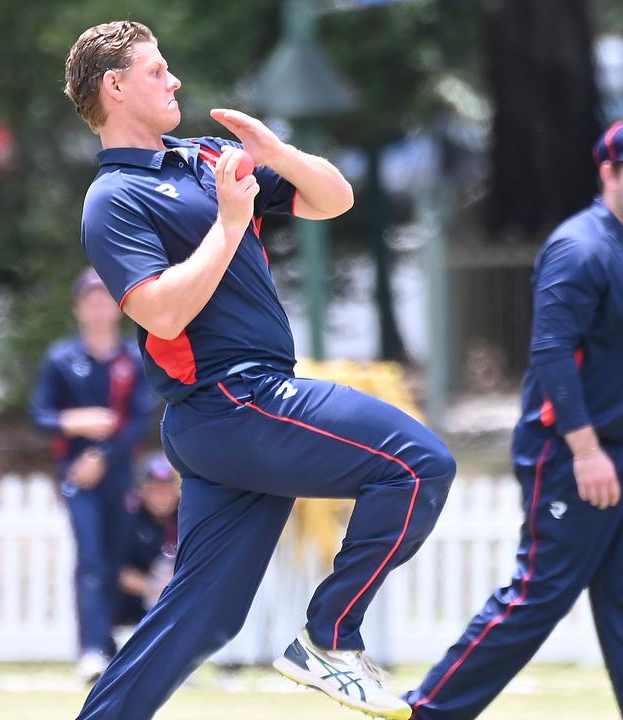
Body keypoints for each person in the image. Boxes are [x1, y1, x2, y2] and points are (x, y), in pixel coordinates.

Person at [62, 20, 456, 720]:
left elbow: (335, 199)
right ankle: (330, 638)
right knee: (418, 464)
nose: (173, 79)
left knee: (204, 618)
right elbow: (160, 314)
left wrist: (278, 153)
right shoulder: (113, 198)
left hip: (234, 418)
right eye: (156, 71)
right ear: (115, 87)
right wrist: (230, 225)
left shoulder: (205, 157)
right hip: (232, 401)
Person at [404, 120, 623, 720]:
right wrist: (586, 451)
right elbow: (552, 357)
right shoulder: (580, 249)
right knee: (537, 597)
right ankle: (425, 712)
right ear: (609, 175)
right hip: (573, 457)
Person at [28, 268, 158, 684]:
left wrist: (102, 455)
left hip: (120, 476)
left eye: (106, 300)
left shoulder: (133, 359)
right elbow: (41, 415)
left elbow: (139, 420)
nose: (99, 308)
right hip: (76, 477)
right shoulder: (61, 359)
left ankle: (113, 645)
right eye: (91, 301)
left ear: (118, 308)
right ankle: (91, 650)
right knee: (90, 559)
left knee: (117, 558)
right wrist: (75, 422)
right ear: (78, 308)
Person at [114, 455, 179, 627]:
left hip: (177, 596)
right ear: (143, 491)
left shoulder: (186, 519)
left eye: (167, 490)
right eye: (155, 490)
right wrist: (152, 588)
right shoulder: (128, 521)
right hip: (134, 605)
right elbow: (117, 571)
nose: (162, 497)